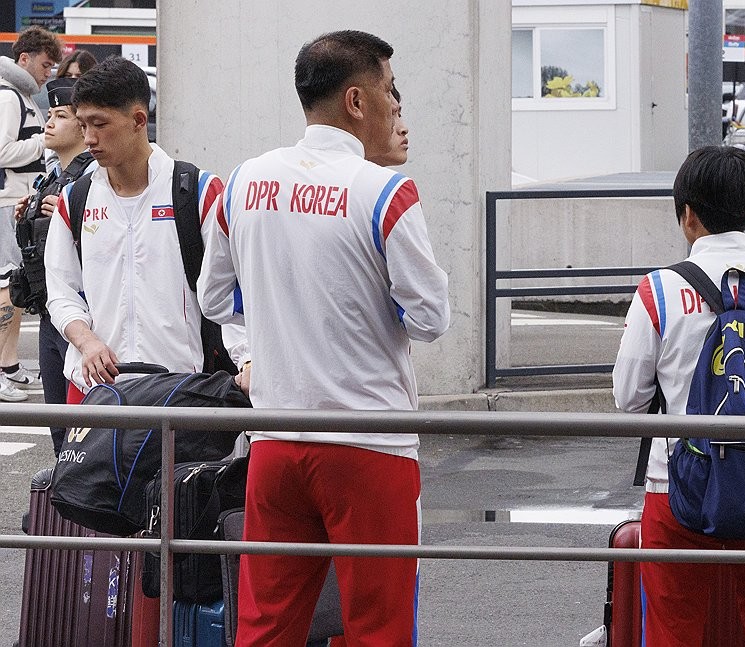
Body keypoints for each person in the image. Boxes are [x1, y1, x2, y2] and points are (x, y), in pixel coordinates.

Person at [197, 30, 449, 646]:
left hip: (278, 438)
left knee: (266, 623)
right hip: (370, 441)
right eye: (392, 91)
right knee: (378, 626)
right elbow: (431, 318)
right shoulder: (386, 190)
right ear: (358, 102)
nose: (397, 106)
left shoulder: (245, 179)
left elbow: (213, 298)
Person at [613, 145, 745, 646]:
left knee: (673, 632)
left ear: (687, 216)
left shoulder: (659, 290)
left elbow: (628, 399)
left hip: (678, 488)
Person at [42, 56, 244, 401]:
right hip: (92, 386)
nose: (88, 138)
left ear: (139, 120)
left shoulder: (198, 191)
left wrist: (248, 358)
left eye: (99, 124)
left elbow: (232, 290)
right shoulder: (75, 198)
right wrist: (86, 342)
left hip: (179, 389)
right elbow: (61, 291)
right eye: (82, 124)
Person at [12, 77, 96, 452]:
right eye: (49, 114)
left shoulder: (93, 179)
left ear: (82, 126)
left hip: (82, 315)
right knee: (60, 428)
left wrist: (68, 216)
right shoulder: (53, 179)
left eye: (60, 116)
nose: (48, 123)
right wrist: (28, 217)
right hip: (48, 312)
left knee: (86, 431)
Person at [0, 26, 61, 402]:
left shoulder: (20, 95)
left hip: (16, 202)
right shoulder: (9, 97)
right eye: (45, 64)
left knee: (15, 286)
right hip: (8, 201)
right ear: (24, 59)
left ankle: (9, 367)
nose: (48, 72)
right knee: (7, 286)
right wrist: (44, 139)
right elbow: (3, 151)